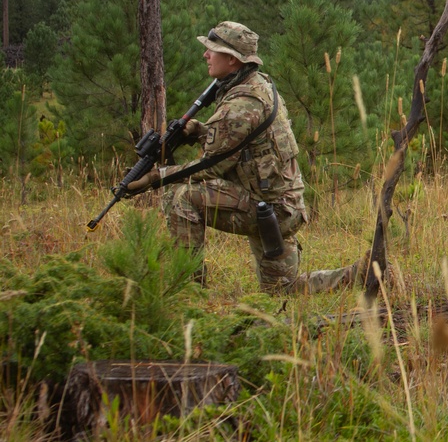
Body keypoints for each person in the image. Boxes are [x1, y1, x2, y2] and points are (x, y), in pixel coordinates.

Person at [126, 21, 366, 294]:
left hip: (270, 209)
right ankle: (362, 275)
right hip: (281, 204)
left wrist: (156, 178)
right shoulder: (258, 84)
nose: (206, 55)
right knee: (281, 290)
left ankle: (189, 291)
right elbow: (240, 144)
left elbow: (212, 166)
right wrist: (201, 131)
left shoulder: (242, 102)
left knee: (179, 196)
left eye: (212, 50)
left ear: (232, 59)